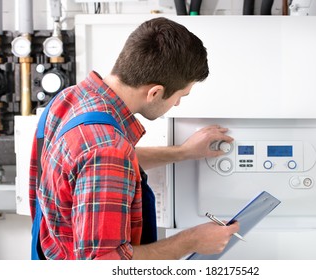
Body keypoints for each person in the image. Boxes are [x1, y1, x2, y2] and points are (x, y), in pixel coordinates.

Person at [29, 17, 239, 260]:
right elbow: (103, 264)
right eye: (180, 95)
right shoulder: (107, 150)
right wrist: (191, 241)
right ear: (155, 93)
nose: (178, 103)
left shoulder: (69, 99)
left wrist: (183, 152)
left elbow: (88, 165)